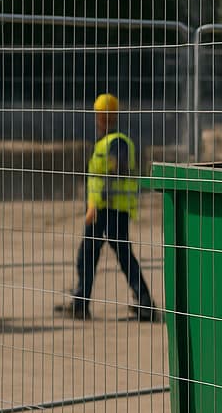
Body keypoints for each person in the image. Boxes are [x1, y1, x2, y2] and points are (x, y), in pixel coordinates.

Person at [55, 93, 158, 321]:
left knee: (117, 255)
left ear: (106, 116)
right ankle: (82, 303)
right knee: (89, 255)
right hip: (104, 208)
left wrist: (95, 204)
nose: (97, 118)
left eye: (99, 114)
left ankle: (145, 303)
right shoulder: (106, 142)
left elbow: (113, 175)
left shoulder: (117, 142)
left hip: (110, 209)